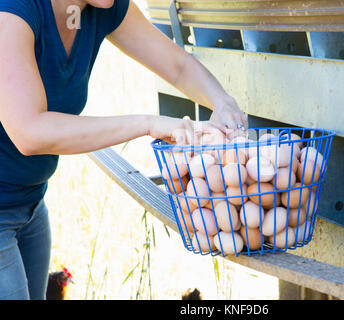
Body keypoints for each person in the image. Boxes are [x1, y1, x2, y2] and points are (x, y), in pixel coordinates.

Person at [0, 0, 248, 300]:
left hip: (29, 204)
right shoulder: (12, 11)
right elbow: (29, 132)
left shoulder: (98, 7)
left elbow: (177, 65)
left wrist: (222, 101)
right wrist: (148, 123)